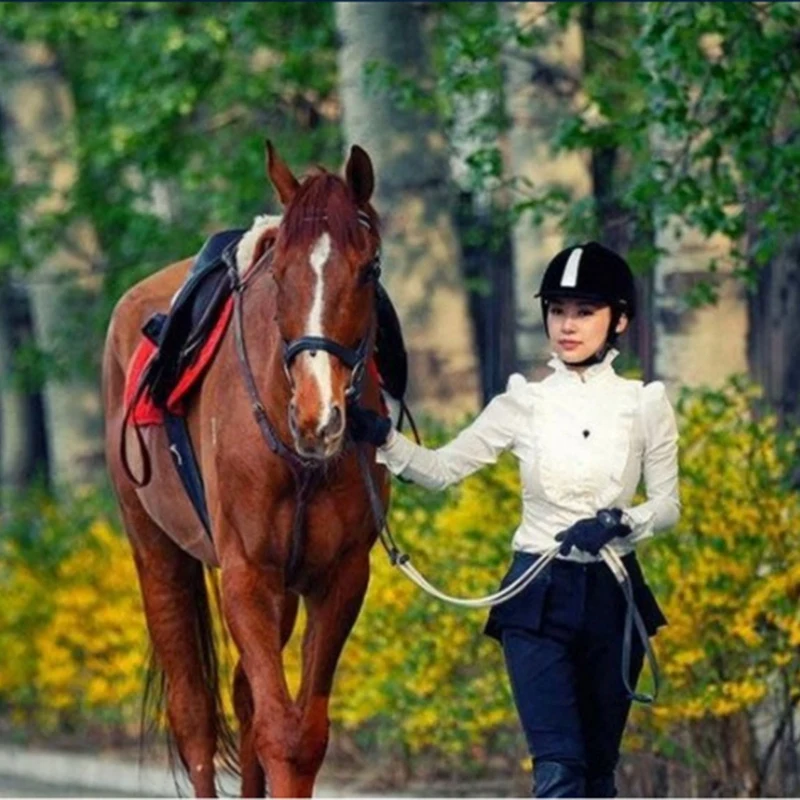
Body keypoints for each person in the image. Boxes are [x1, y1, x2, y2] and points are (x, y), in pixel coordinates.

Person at [348, 241, 680, 798]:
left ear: (618, 319)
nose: (567, 326)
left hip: (613, 598)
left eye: (584, 312)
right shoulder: (521, 402)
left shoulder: (645, 404)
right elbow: (441, 469)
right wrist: (385, 437)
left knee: (598, 775)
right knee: (558, 773)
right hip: (537, 597)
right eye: (557, 311)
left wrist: (621, 521)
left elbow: (667, 505)